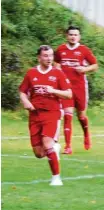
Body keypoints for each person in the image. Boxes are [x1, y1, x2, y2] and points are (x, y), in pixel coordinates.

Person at [19, 45, 73, 186]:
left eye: (50, 55)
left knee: (47, 143)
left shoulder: (58, 73)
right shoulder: (31, 73)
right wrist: (25, 101)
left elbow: (68, 94)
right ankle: (54, 149)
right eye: (45, 56)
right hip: (35, 115)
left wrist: (53, 90)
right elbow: (22, 91)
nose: (49, 58)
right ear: (39, 57)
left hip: (52, 114)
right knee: (38, 153)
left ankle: (56, 178)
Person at [55, 25, 98, 154]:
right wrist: (58, 77)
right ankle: (68, 146)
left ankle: (86, 134)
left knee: (81, 116)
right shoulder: (61, 49)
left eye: (75, 35)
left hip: (80, 88)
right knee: (67, 115)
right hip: (66, 89)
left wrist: (85, 69)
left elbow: (95, 65)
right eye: (71, 34)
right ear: (66, 36)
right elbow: (56, 65)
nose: (73, 37)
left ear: (79, 37)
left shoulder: (84, 50)